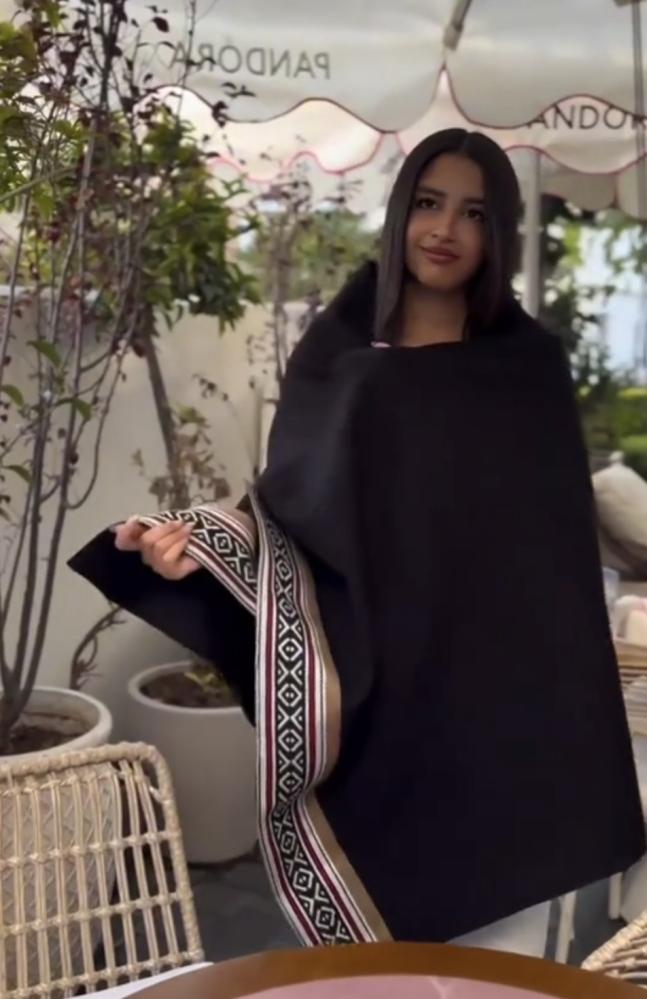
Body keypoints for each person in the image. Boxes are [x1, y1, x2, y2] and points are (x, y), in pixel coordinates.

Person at [70, 129, 645, 957]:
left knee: (502, 963)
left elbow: (547, 561)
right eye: (428, 202)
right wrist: (200, 543)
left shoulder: (528, 370)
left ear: (499, 230)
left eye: (473, 211)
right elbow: (295, 510)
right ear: (399, 209)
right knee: (379, 970)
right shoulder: (335, 351)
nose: (444, 228)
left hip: (499, 709)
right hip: (377, 695)